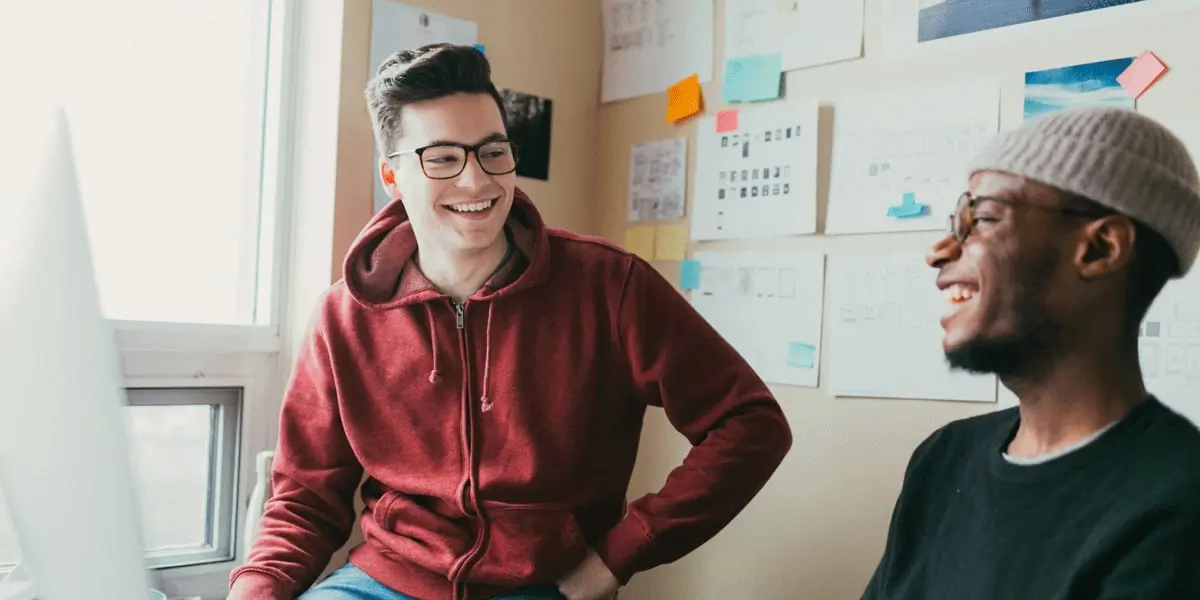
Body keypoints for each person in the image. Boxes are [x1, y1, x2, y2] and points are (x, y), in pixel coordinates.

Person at [228, 43, 792, 600]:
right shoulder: (342, 317)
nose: (477, 182)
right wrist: (254, 592)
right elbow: (303, 496)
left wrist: (618, 556)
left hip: (543, 585)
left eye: (492, 152)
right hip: (383, 582)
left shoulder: (608, 286)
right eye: (442, 158)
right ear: (393, 178)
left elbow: (750, 424)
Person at [861, 106, 1200, 599]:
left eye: (981, 219)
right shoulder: (943, 458)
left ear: (1101, 249)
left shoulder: (1178, 501)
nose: (939, 251)